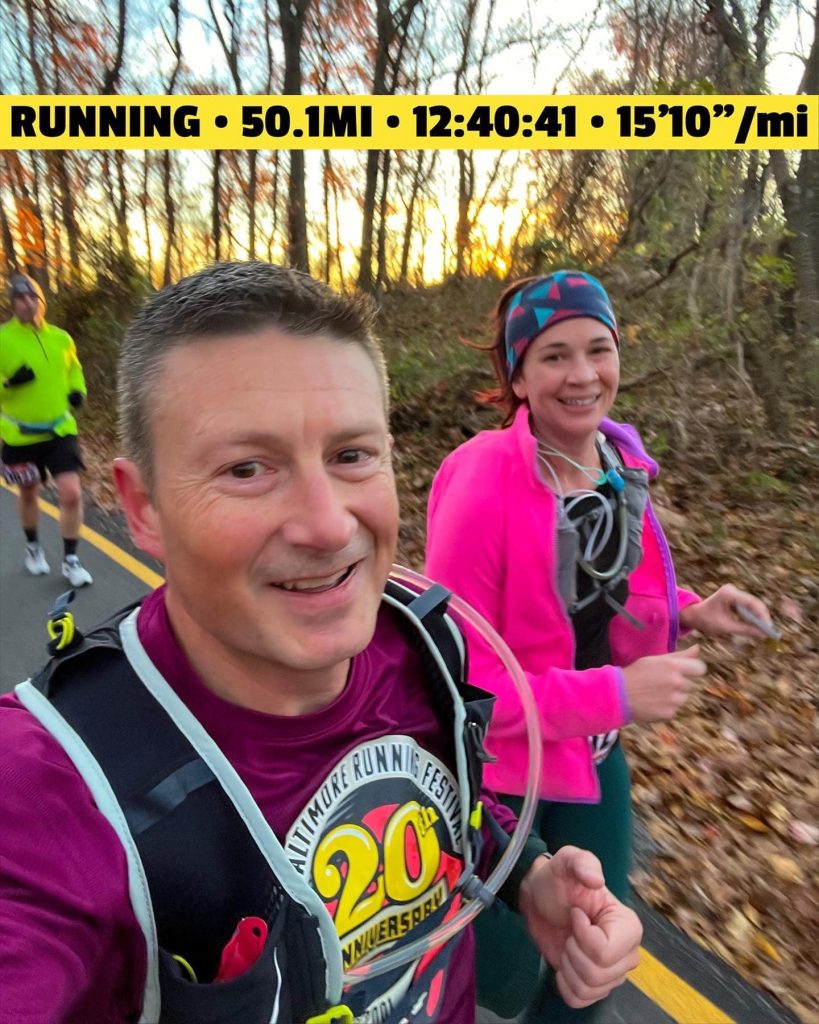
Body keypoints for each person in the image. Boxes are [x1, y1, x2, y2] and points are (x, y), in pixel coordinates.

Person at [0, 262, 642, 1024]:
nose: (329, 525)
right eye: (247, 468)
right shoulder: (52, 788)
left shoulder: (418, 641)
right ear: (142, 507)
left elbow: (450, 795)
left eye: (350, 456)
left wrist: (527, 876)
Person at [425, 270, 775, 1023]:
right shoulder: (483, 481)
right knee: (499, 976)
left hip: (590, 753)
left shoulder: (617, 463)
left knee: (593, 962)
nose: (582, 375)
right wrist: (615, 693)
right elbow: (463, 677)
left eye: (597, 349)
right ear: (518, 377)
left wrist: (692, 609)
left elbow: (607, 598)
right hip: (496, 772)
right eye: (554, 356)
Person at [0, 272, 93, 586]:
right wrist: (9, 384)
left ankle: (71, 561)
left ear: (42, 301)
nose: (27, 303)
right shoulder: (3, 339)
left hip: (60, 430)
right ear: (12, 304)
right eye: (20, 299)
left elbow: (74, 370)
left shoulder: (61, 338)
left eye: (32, 297)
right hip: (20, 436)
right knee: (29, 492)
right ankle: (33, 548)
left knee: (71, 493)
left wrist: (78, 390)